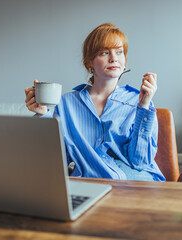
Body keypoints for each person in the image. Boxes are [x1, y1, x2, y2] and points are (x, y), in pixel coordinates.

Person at [24, 23, 165, 181]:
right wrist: (42, 115)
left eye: (119, 52)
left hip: (135, 184)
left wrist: (144, 107)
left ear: (124, 61)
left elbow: (140, 163)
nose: (114, 58)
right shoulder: (65, 105)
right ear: (89, 62)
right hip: (90, 185)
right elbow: (55, 161)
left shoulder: (140, 102)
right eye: (104, 53)